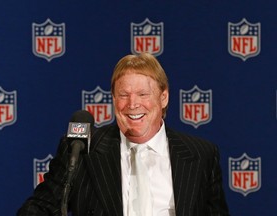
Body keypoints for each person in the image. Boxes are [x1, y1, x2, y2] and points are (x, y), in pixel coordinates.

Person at [17, 52, 230, 216]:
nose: (133, 104)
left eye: (143, 94)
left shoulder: (201, 155)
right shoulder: (82, 151)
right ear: (113, 99)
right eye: (123, 95)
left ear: (163, 97)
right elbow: (37, 210)